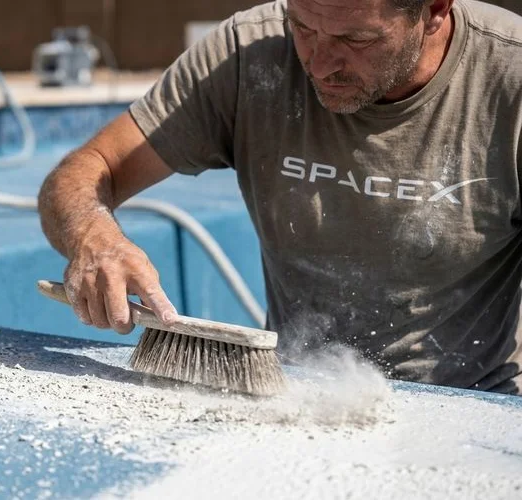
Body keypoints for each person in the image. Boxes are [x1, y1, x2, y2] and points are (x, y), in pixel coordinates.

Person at [37, 0, 522, 394]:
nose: (320, 63)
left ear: (434, 11)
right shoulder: (247, 55)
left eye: (356, 39)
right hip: (294, 393)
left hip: (470, 401)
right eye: (302, 27)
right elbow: (86, 170)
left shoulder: (509, 78)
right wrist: (93, 236)